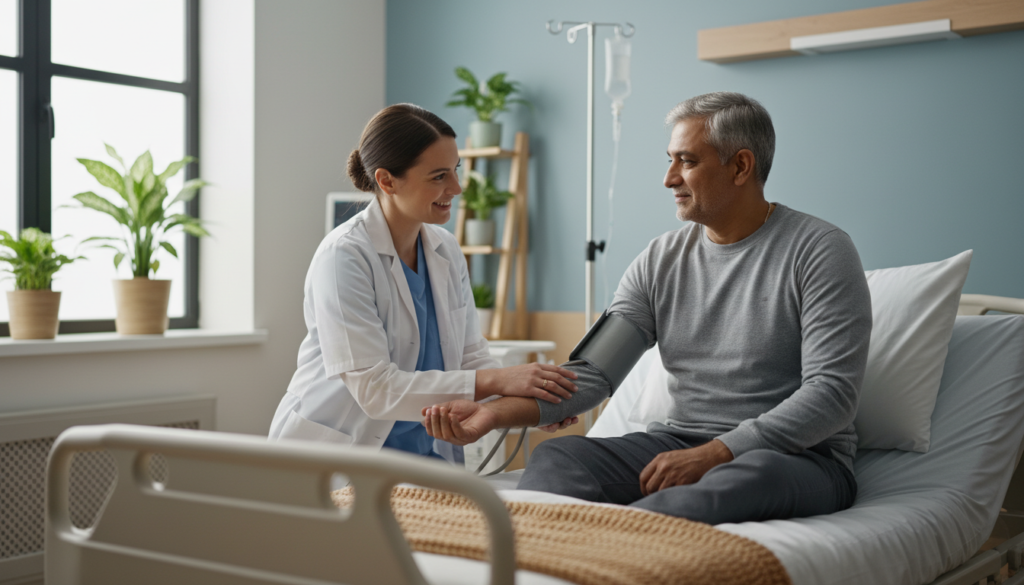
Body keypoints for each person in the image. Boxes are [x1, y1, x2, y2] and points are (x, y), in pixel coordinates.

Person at [420, 92, 873, 522]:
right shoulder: (661, 259)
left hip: (796, 459)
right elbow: (595, 372)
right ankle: (554, 543)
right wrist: (495, 412)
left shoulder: (820, 251)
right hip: (677, 442)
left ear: (740, 166)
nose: (669, 178)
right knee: (561, 455)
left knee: (748, 477)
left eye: (687, 161)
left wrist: (717, 452)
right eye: (670, 160)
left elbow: (831, 393)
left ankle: (621, 546)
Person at [269, 104, 578, 463]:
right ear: (386, 181)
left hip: (422, 458)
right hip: (338, 458)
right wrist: (500, 381)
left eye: (456, 170)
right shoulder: (344, 256)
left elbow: (470, 358)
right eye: (439, 176)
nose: (457, 187)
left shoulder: (444, 249)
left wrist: (533, 404)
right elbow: (375, 390)